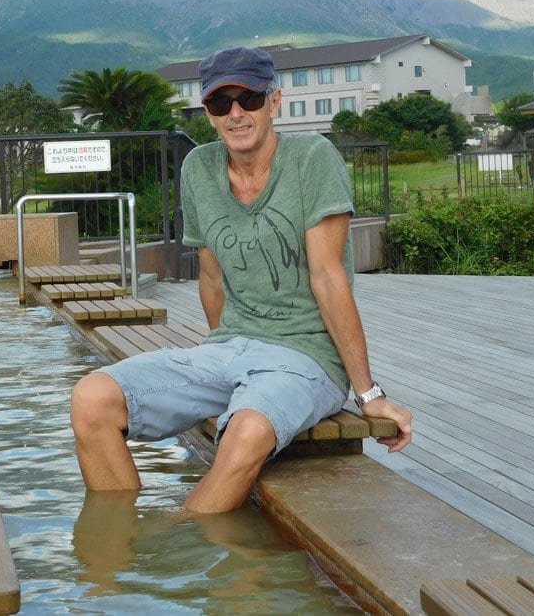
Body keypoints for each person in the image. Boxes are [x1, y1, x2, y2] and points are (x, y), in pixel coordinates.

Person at [71, 46, 413, 513]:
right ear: (208, 114)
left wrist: (368, 394)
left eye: (248, 99)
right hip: (231, 347)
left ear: (275, 102)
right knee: (91, 399)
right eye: (220, 103)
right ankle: (119, 543)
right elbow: (211, 276)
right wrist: (219, 360)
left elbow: (329, 279)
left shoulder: (312, 157)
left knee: (247, 429)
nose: (236, 113)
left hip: (306, 356)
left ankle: (180, 548)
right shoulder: (199, 168)